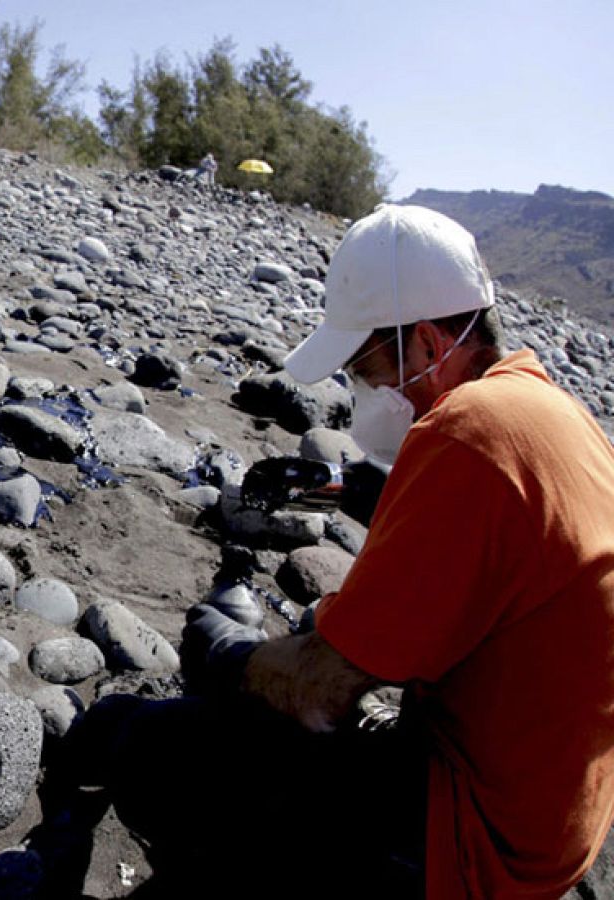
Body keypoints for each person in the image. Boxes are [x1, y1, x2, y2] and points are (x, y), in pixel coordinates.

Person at [65, 205, 614, 899]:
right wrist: (329, 488)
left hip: (470, 845)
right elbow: (472, 538)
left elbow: (318, 689)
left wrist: (228, 654)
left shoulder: (466, 431)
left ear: (425, 345)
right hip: (550, 822)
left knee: (149, 740)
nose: (361, 385)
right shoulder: (543, 412)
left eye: (364, 363)